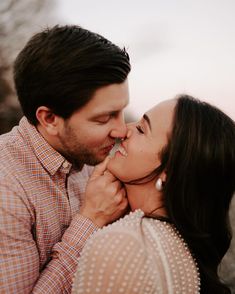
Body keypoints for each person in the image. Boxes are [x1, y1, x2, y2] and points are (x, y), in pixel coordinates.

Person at [0, 25, 130, 293]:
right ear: (49, 119)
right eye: (104, 118)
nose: (122, 130)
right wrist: (91, 220)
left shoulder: (88, 157)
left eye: (122, 112)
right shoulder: (6, 189)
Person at [72, 95, 235, 294]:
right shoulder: (183, 249)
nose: (124, 130)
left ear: (170, 169)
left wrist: (90, 220)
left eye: (141, 129)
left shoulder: (119, 244)